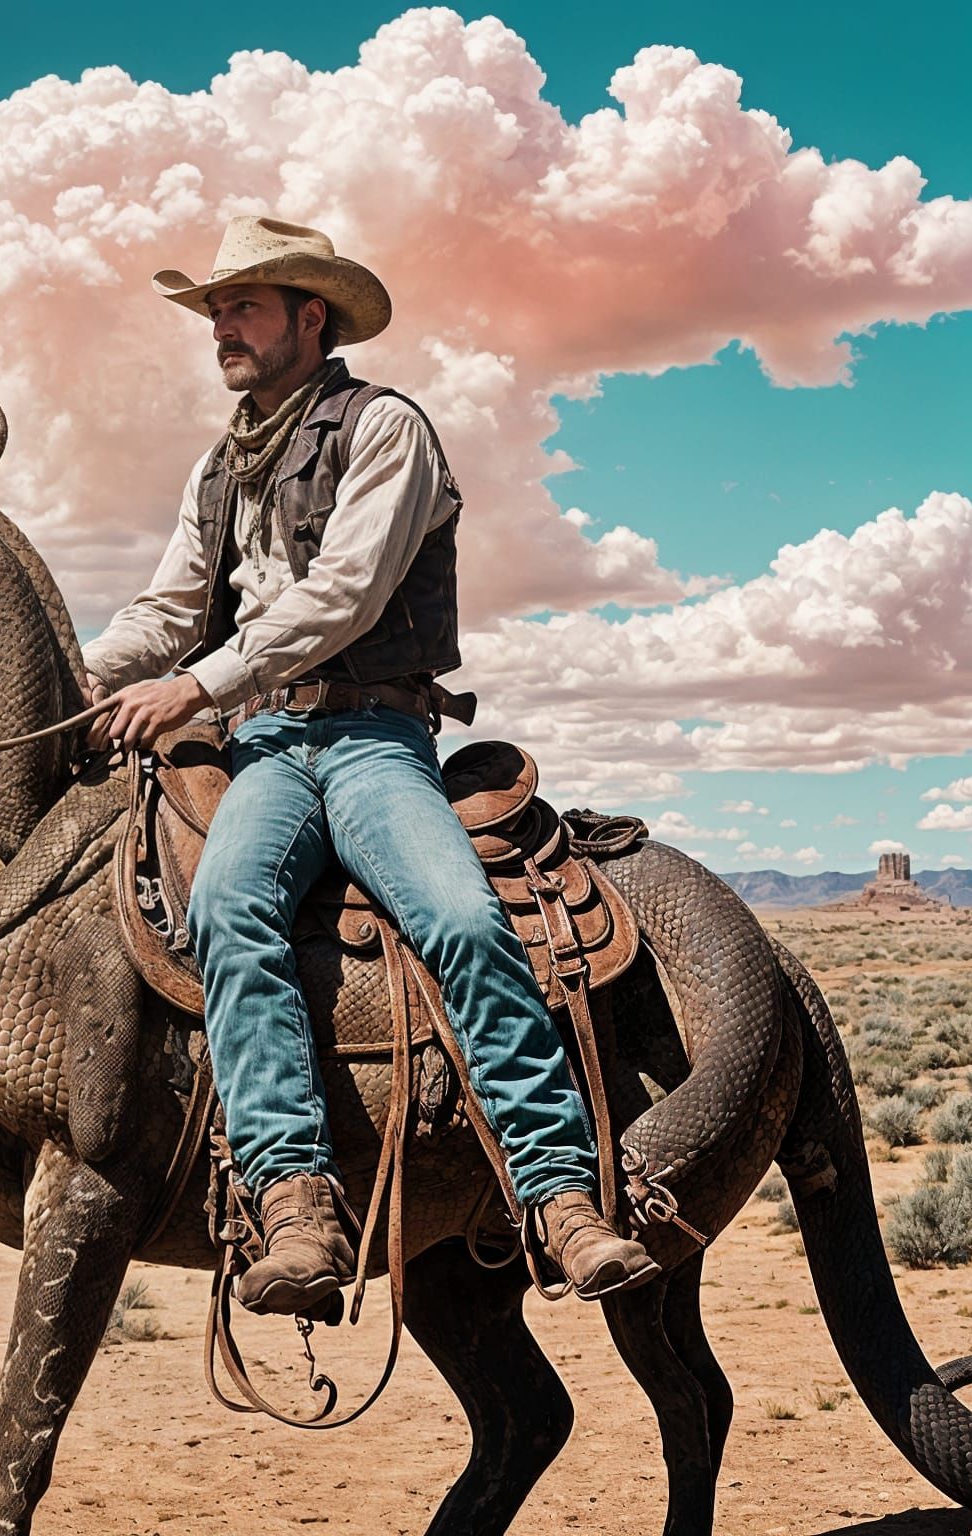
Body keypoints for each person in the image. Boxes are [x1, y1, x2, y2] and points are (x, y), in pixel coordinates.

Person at [81, 215, 657, 1314]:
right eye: (214, 310)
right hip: (266, 746)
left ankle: (559, 1197)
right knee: (228, 912)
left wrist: (196, 686)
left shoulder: (385, 427)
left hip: (372, 740)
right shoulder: (222, 465)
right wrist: (81, 675)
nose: (221, 327)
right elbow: (168, 608)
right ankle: (295, 1206)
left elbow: (343, 594)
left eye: (242, 306)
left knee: (463, 920)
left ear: (312, 315)